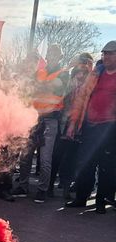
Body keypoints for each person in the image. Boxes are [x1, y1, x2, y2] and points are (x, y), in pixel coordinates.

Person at [11, 44, 69, 203]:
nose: (52, 56)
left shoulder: (64, 74)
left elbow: (57, 88)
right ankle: (23, 186)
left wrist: (40, 85)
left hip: (51, 120)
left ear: (60, 57)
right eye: (50, 53)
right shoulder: (40, 71)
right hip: (34, 117)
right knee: (26, 155)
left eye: (55, 54)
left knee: (45, 158)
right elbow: (30, 88)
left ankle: (42, 190)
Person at [65, 41, 116, 214]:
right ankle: (81, 198)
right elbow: (81, 98)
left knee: (106, 166)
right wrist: (73, 123)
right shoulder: (96, 74)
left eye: (110, 53)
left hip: (110, 129)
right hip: (90, 126)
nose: (106, 57)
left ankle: (101, 201)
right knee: (85, 162)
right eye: (104, 54)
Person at [48, 52, 93, 199]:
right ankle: (49, 187)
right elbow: (62, 96)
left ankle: (66, 189)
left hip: (80, 124)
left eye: (86, 64)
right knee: (57, 156)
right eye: (82, 63)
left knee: (71, 158)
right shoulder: (68, 78)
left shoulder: (92, 81)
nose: (84, 67)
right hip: (64, 122)